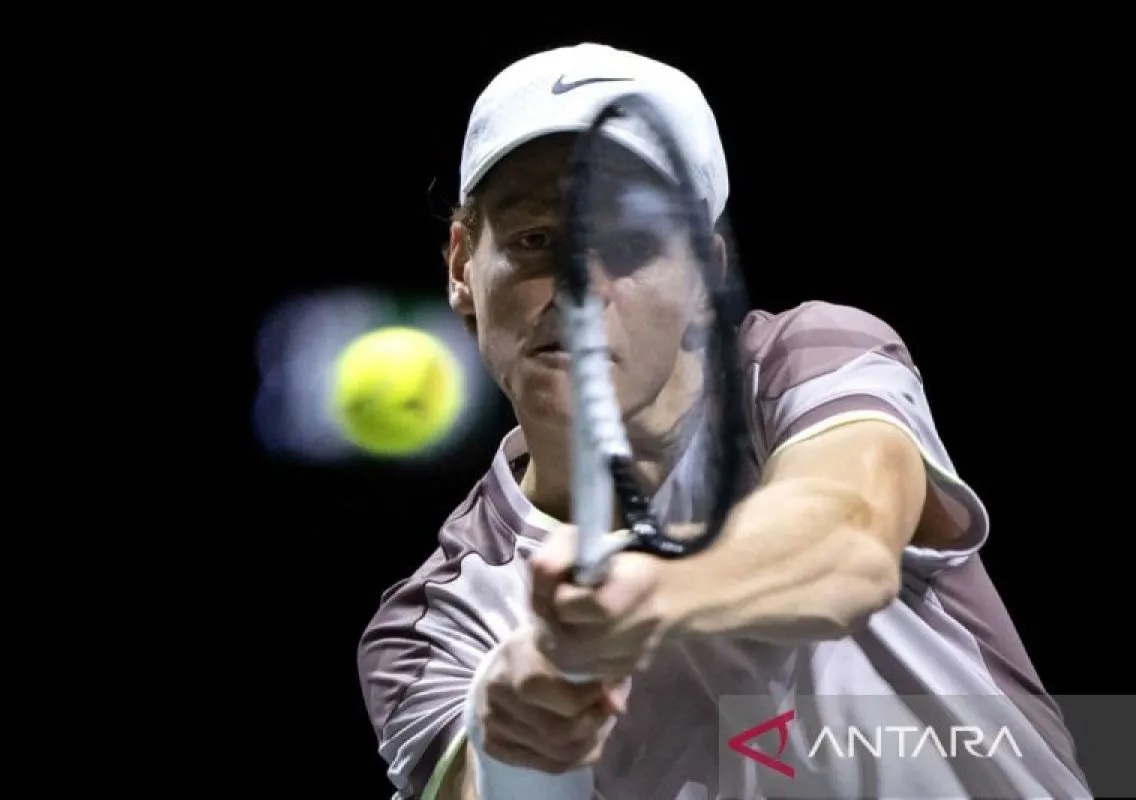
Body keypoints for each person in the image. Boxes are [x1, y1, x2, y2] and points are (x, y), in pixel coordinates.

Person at [358, 43, 1088, 800]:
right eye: (536, 240)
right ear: (460, 267)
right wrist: (513, 732)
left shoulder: (798, 364)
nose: (579, 288)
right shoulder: (432, 621)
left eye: (630, 243)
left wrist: (644, 601)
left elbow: (846, 537)